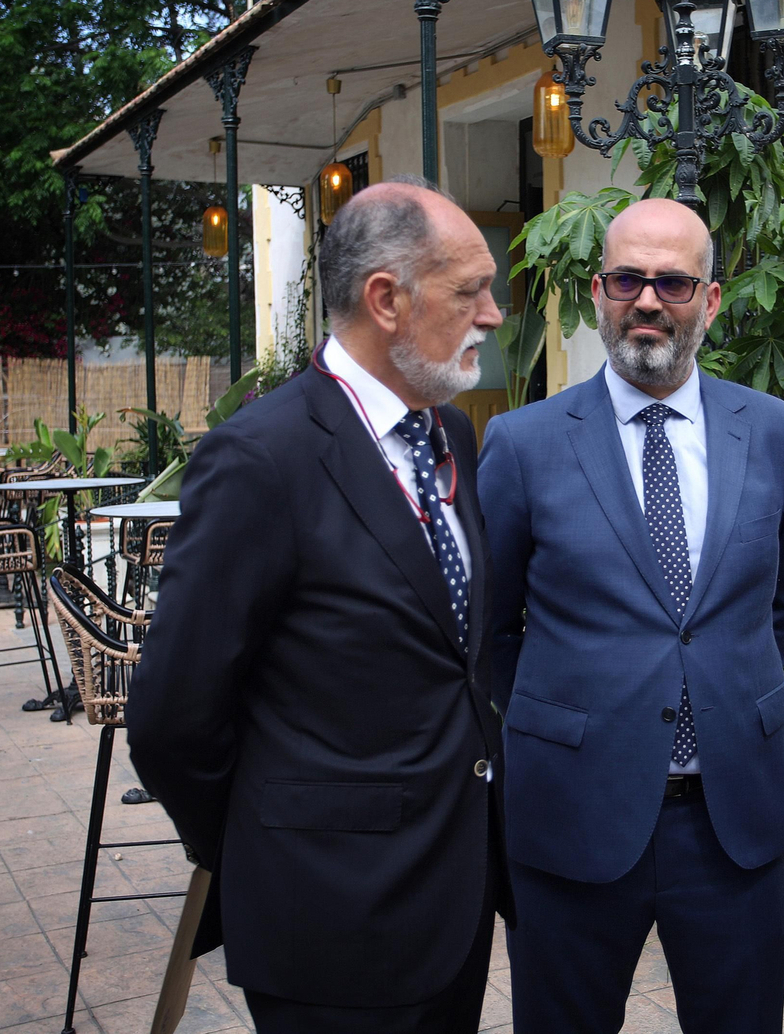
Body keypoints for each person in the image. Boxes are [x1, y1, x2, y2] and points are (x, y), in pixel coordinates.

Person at [126, 176, 511, 1034]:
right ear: (387, 300)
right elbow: (172, 717)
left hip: (452, 903)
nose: (491, 313)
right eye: (469, 290)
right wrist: (269, 845)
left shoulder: (450, 435)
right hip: (328, 918)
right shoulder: (261, 460)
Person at [478, 197, 784, 1034]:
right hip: (574, 814)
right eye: (628, 278)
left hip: (731, 820)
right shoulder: (523, 445)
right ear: (598, 291)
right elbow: (486, 628)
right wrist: (576, 715)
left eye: (673, 281)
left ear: (710, 298)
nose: (648, 300)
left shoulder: (775, 432)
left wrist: (717, 690)